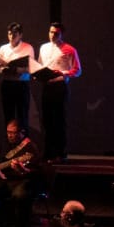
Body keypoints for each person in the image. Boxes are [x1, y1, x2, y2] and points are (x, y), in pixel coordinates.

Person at [38, 22, 82, 163]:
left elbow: (77, 70)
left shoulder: (69, 49)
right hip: (47, 86)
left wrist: (62, 72)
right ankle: (48, 152)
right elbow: (40, 65)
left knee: (59, 121)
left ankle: (61, 153)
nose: (52, 35)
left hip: (59, 86)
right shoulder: (43, 47)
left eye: (56, 33)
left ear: (62, 34)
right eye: (51, 32)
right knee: (47, 121)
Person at [0, 22, 35, 131]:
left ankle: (24, 146)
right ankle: (10, 146)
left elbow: (31, 68)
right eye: (9, 34)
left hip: (21, 85)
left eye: (14, 34)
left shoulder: (28, 48)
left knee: (22, 116)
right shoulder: (3, 48)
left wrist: (16, 69)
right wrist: (2, 69)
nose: (11, 36)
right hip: (7, 84)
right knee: (8, 116)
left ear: (20, 35)